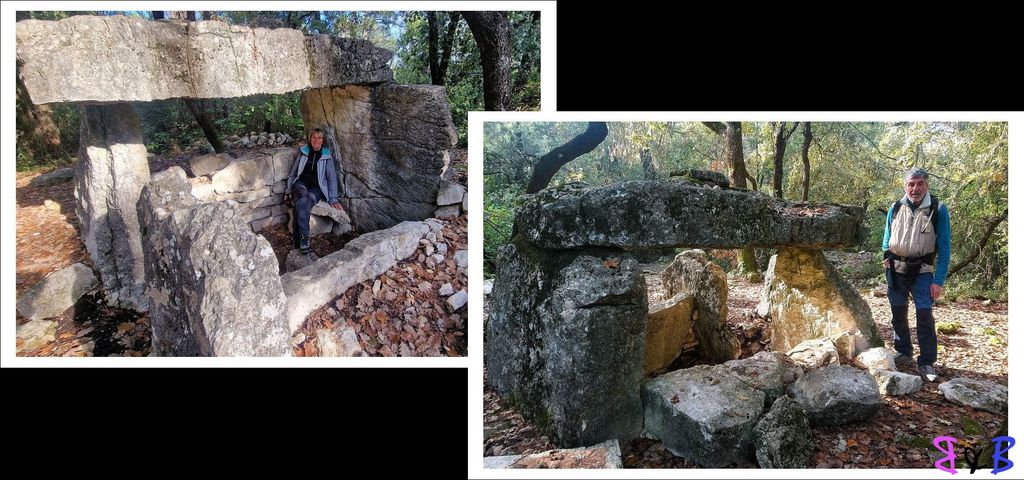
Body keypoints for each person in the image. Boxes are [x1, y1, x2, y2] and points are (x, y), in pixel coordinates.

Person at [882, 167, 951, 382]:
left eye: (920, 184)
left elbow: (945, 247)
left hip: (922, 271)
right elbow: (887, 236)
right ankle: (903, 351)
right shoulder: (896, 207)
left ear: (926, 185)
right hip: (896, 270)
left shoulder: (938, 209)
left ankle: (927, 361)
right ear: (905, 186)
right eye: (911, 184)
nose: (915, 188)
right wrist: (885, 255)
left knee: (924, 315)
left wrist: (938, 281)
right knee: (898, 313)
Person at [284, 128, 343, 254]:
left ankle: (297, 240)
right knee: (303, 198)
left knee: (303, 201)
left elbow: (331, 178)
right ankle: (305, 239)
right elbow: (293, 173)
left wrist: (333, 199)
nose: (317, 140)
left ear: (323, 140)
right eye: (314, 137)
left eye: (319, 138)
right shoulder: (303, 152)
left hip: (317, 188)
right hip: (301, 184)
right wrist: (288, 190)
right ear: (310, 139)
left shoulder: (326, 156)